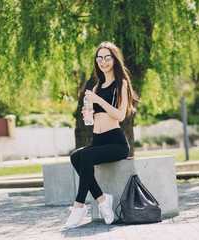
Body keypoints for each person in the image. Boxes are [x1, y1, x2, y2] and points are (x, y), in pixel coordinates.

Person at [65, 41, 138, 229]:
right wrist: (89, 114)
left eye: (107, 57)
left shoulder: (120, 84)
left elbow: (120, 115)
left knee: (86, 156)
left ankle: (78, 207)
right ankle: (102, 199)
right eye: (99, 58)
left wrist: (99, 102)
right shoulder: (97, 88)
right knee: (76, 156)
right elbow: (97, 115)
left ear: (114, 59)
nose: (103, 61)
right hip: (98, 139)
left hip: (115, 142)